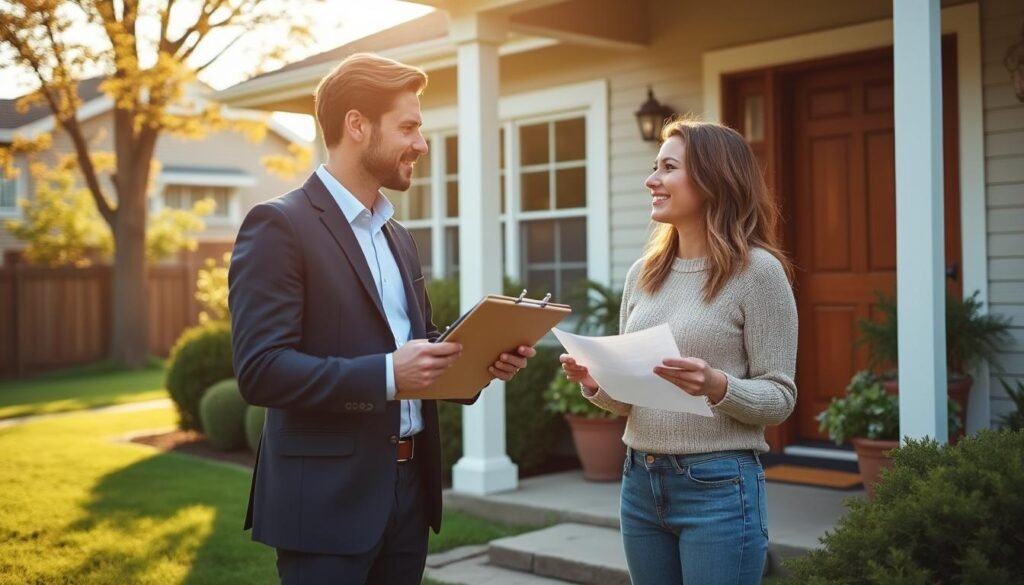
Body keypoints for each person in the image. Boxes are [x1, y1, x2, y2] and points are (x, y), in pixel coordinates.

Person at [228, 52, 535, 585]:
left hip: (409, 494)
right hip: (323, 505)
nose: (421, 144)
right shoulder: (279, 226)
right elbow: (262, 370)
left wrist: (482, 360)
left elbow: (417, 344)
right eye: (409, 128)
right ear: (357, 125)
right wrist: (389, 374)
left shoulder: (398, 236)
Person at [560, 119, 797, 585]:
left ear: (713, 179)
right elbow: (630, 402)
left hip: (719, 486)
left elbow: (780, 397)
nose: (652, 180)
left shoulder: (759, 273)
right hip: (640, 481)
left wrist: (717, 386)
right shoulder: (644, 274)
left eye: (668, 168)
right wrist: (596, 382)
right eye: (655, 167)